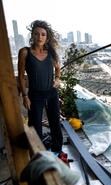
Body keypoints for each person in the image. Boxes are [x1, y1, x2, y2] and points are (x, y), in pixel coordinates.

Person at [18, 20, 67, 163]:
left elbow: (58, 70)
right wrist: (25, 96)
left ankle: (57, 150)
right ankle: (38, 155)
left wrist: (57, 79)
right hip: (35, 94)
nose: (40, 37)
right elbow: (21, 75)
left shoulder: (51, 53)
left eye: (43, 34)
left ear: (47, 37)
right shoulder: (25, 52)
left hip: (51, 92)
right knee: (35, 126)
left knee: (55, 122)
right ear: (32, 35)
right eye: (37, 34)